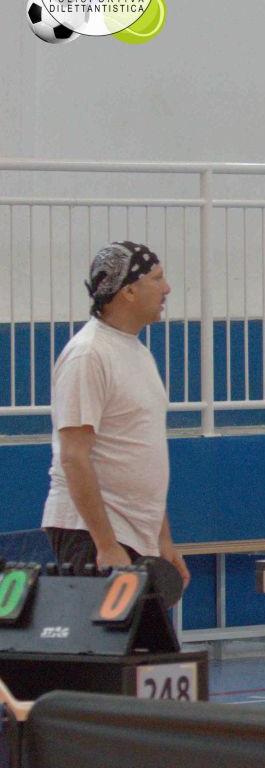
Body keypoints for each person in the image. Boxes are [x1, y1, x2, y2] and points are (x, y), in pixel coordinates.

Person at [41, 241, 190, 589]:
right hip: (93, 536)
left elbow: (142, 454)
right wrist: (106, 545)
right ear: (129, 291)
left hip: (134, 536)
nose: (167, 288)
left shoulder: (137, 351)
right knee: (99, 628)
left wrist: (162, 538)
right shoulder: (88, 355)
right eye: (157, 278)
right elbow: (74, 457)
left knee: (148, 628)